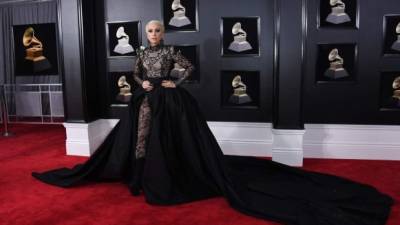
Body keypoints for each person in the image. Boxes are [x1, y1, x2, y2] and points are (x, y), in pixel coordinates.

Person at [32, 20, 393, 225]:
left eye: (158, 31)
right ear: (146, 35)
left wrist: (175, 80)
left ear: (164, 35)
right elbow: (136, 69)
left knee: (169, 138)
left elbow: (188, 68)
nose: (154, 35)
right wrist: (142, 81)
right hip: (146, 98)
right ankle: (139, 174)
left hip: (171, 100)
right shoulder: (142, 53)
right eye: (151, 31)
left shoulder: (172, 52)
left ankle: (164, 173)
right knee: (140, 136)